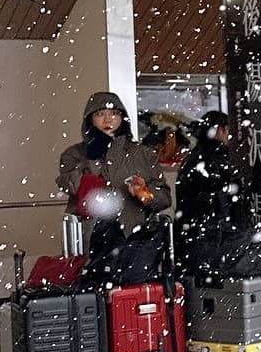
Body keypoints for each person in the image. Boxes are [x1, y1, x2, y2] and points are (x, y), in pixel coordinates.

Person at [56, 90, 169, 236]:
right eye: (100, 114)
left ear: (122, 117)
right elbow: (69, 185)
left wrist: (146, 194)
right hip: (92, 238)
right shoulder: (74, 154)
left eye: (114, 113)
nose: (108, 120)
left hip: (137, 237)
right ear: (90, 119)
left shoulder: (143, 153)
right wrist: (94, 154)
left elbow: (165, 198)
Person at [174, 111, 250, 246]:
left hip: (194, 233)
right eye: (228, 130)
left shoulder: (192, 158)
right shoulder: (221, 159)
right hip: (218, 234)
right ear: (220, 130)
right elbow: (225, 199)